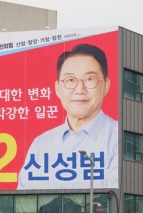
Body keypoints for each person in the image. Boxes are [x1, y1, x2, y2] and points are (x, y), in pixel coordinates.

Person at [17, 43, 118, 189]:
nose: (79, 90)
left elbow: (117, 202)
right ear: (57, 88)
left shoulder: (119, 138)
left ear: (106, 86)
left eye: (89, 79)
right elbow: (23, 203)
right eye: (70, 80)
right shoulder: (41, 145)